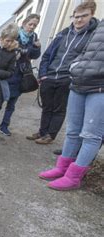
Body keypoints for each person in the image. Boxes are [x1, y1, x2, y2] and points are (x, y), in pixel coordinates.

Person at [38, 18, 103, 191]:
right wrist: (76, 66)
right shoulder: (100, 25)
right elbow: (87, 50)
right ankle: (62, 167)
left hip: (100, 87)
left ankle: (73, 177)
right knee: (72, 130)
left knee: (91, 135)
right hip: (80, 81)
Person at [27, 0, 98, 145]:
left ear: (92, 15)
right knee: (47, 107)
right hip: (50, 76)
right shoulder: (63, 34)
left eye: (83, 16)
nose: (79, 19)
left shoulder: (93, 36)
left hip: (68, 79)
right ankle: (42, 131)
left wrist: (73, 77)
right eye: (76, 16)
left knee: (59, 109)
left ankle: (50, 135)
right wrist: (43, 74)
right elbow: (47, 55)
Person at [0, 14, 41, 136]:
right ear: (24, 24)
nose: (32, 27)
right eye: (30, 24)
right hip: (9, 72)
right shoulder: (15, 35)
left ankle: (4, 126)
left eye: (35, 25)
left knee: (12, 104)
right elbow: (6, 48)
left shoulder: (34, 38)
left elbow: (34, 55)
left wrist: (36, 48)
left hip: (21, 74)